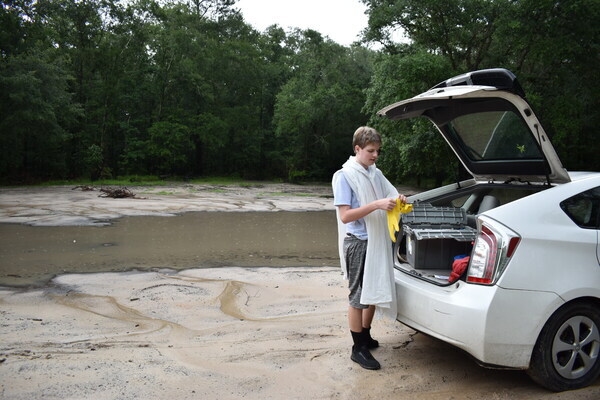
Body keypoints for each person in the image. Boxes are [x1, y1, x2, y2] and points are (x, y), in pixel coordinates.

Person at [332, 126, 407, 370]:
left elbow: (391, 194)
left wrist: (399, 199)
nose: (375, 155)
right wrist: (376, 204)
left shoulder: (375, 173)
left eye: (378, 151)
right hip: (358, 242)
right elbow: (345, 216)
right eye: (370, 151)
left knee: (373, 290)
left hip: (377, 240)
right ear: (357, 149)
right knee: (357, 298)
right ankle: (358, 348)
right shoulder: (344, 176)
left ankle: (365, 336)